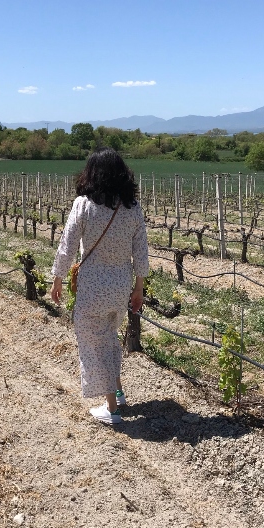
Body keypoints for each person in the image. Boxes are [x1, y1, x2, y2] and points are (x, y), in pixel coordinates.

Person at [50, 148, 150, 425]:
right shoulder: (132, 208)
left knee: (94, 344)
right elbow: (140, 250)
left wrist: (57, 278)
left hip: (93, 283)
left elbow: (67, 244)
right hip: (120, 283)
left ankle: (111, 409)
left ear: (91, 173)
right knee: (109, 337)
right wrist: (139, 287)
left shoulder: (83, 204)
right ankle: (117, 392)